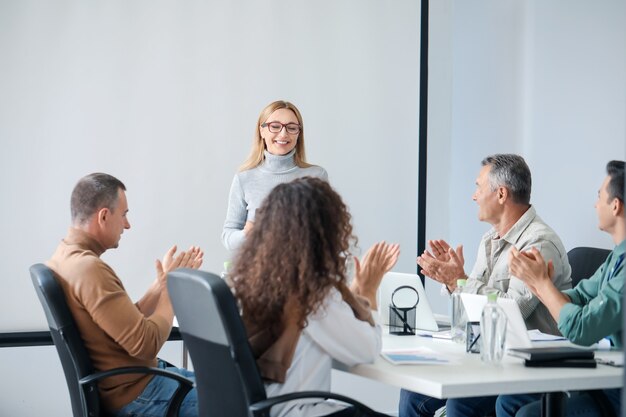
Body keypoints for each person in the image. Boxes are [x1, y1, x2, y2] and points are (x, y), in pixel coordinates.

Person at [399, 154, 572, 417]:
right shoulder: (490, 239)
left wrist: (459, 280)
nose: (474, 196)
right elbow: (477, 309)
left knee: (461, 404)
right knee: (414, 393)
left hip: (526, 365)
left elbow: (508, 313)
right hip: (489, 358)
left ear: (501, 194)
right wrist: (454, 281)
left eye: (478, 187)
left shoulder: (538, 244)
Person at [230, 177, 400, 417]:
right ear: (326, 233)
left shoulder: (249, 281)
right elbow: (368, 350)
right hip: (296, 411)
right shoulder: (313, 295)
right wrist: (369, 291)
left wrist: (352, 293)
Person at [46, 173, 204, 417]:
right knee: (240, 401)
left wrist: (162, 285)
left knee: (232, 385)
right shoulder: (89, 270)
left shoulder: (65, 257)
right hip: (140, 394)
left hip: (140, 381)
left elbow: (123, 323)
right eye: (124, 215)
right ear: (104, 216)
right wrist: (173, 293)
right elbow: (146, 344)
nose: (127, 225)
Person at [496, 160, 625, 417]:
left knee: (527, 415)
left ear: (615, 205)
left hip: (616, 391)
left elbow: (582, 328)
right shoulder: (616, 257)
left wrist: (543, 285)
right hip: (598, 373)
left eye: (599, 197)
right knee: (507, 402)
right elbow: (581, 295)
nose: (595, 204)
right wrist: (538, 281)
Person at [222, 100, 328, 252]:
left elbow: (327, 234)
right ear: (262, 131)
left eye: (291, 128)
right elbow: (228, 237)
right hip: (257, 271)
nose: (283, 134)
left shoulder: (317, 176)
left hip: (305, 271)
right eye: (275, 126)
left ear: (299, 134)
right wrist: (248, 235)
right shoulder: (244, 178)